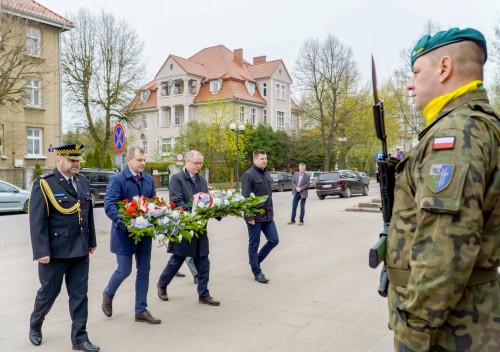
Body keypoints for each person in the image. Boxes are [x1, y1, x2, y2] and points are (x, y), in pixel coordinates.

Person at [387, 27, 500, 351]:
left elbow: (444, 247)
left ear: (445, 68)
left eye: (416, 72)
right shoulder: (480, 124)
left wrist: (413, 332)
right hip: (465, 317)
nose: (410, 83)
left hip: (450, 328)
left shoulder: (455, 134)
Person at [28, 144, 100, 352]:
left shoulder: (83, 182)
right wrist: (41, 252)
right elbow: (37, 221)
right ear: (59, 160)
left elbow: (88, 215)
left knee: (80, 296)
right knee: (48, 294)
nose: (76, 163)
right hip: (55, 252)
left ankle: (79, 338)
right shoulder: (45, 184)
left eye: (78, 160)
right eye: (72, 160)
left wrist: (91, 240)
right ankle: (35, 323)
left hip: (80, 250)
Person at [102, 146, 161, 324]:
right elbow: (109, 205)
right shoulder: (118, 179)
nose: (143, 163)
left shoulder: (148, 180)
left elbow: (153, 204)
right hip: (124, 234)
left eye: (144, 160)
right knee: (124, 270)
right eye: (139, 160)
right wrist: (126, 223)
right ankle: (108, 293)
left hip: (144, 234)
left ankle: (141, 310)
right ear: (129, 161)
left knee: (144, 271)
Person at [157, 150, 220, 306]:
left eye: (200, 164)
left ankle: (204, 294)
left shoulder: (202, 181)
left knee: (203, 261)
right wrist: (195, 212)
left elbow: (207, 201)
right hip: (184, 227)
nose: (198, 166)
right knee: (177, 259)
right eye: (196, 163)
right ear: (187, 162)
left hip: (200, 227)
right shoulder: (176, 179)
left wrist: (218, 213)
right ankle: (162, 284)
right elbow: (176, 202)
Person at [242, 150, 280, 284]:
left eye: (266, 158)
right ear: (255, 159)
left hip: (268, 216)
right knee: (254, 244)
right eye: (262, 158)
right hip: (255, 217)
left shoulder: (266, 174)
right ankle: (257, 272)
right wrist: (249, 216)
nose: (264, 160)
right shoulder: (248, 175)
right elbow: (245, 198)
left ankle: (255, 261)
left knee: (274, 240)